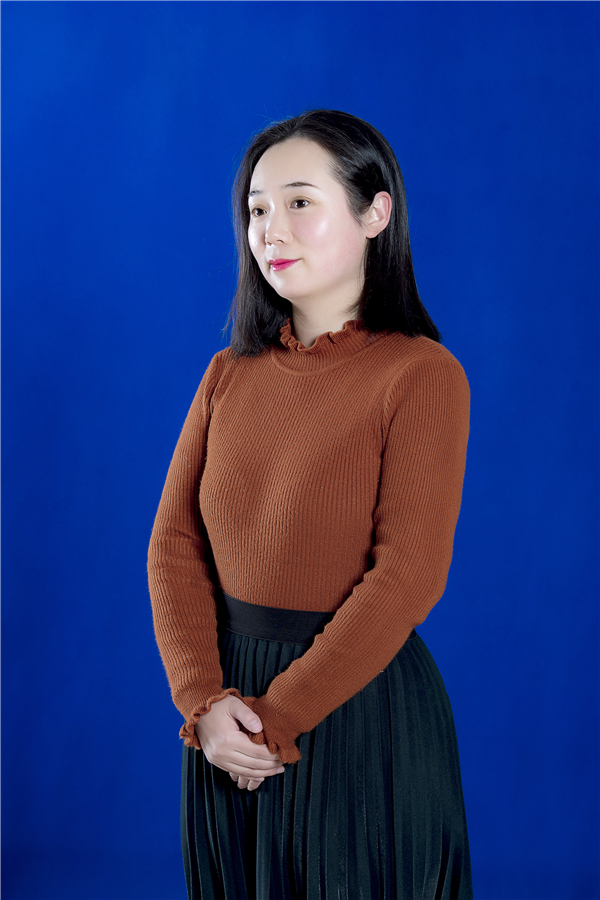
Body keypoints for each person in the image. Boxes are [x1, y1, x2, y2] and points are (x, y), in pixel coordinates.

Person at [148, 109, 473, 900]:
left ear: (375, 212)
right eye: (256, 208)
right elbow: (174, 544)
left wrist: (279, 716)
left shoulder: (421, 375)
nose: (270, 229)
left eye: (299, 201)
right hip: (226, 721)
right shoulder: (228, 374)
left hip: (354, 710)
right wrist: (204, 701)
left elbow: (409, 575)